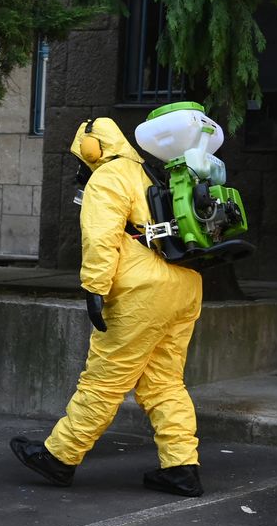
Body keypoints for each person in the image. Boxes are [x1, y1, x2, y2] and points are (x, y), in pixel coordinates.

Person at [11, 117, 204, 497]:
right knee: (165, 382)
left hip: (142, 291)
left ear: (91, 148)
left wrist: (94, 289)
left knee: (104, 380)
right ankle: (181, 466)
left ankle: (59, 457)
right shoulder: (149, 172)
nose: (78, 166)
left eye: (79, 157)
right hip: (184, 285)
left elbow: (102, 237)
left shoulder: (109, 177)